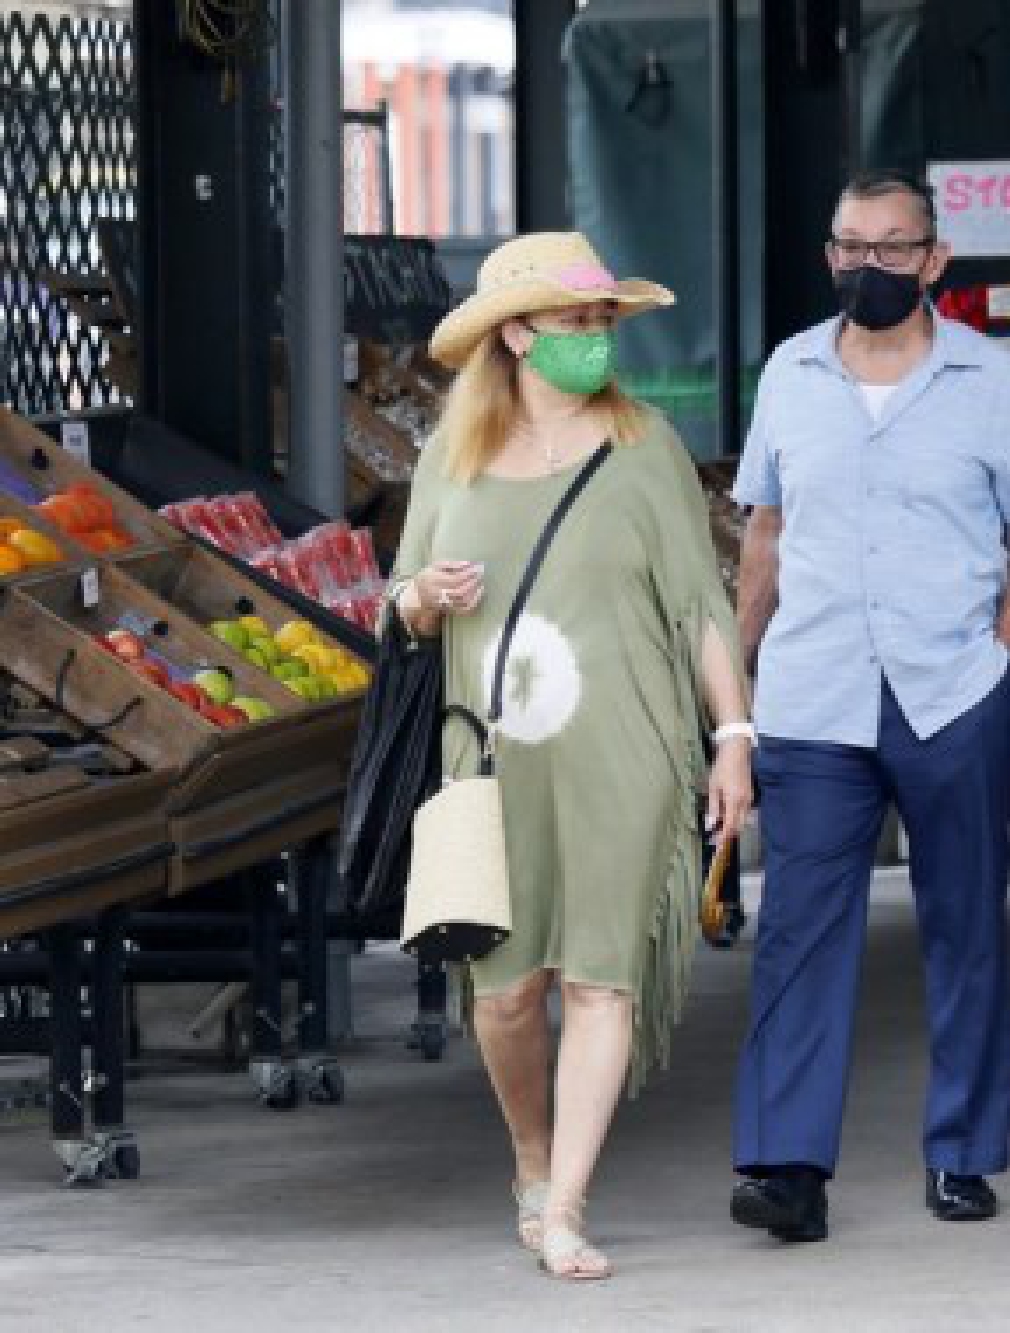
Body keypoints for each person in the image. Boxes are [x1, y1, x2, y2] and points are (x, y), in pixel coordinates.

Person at [394, 232, 753, 1280]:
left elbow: (700, 610)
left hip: (627, 747)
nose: (595, 340)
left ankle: (565, 1204)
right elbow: (398, 596)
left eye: (604, 322)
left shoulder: (645, 447)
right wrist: (425, 598)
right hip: (494, 759)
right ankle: (529, 1158)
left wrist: (730, 739)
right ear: (515, 334)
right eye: (576, 322)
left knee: (601, 979)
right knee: (504, 992)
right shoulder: (449, 457)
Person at [728, 171, 1010, 1241]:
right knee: (797, 930)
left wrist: (1002, 658)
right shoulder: (788, 371)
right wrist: (733, 688)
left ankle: (961, 1151)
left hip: (946, 690)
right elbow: (765, 535)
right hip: (813, 692)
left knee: (962, 923)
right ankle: (785, 1164)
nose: (865, 267)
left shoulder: (989, 380)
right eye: (847, 246)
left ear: (933, 260)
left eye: (890, 248)